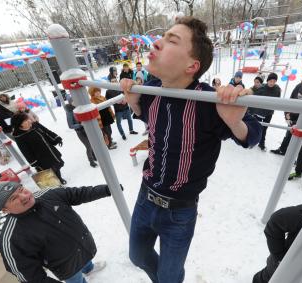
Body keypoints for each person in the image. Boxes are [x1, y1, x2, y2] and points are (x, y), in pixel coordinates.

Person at [120, 16, 262, 283]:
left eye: (171, 40)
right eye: (162, 37)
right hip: (145, 196)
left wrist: (234, 121)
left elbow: (252, 136)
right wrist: (133, 102)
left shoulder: (209, 101)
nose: (158, 43)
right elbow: (147, 118)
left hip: (179, 211)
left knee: (171, 276)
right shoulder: (148, 90)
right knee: (137, 257)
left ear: (191, 66)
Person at [0, 181, 112, 283]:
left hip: (82, 245)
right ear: (5, 210)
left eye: (21, 190)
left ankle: (89, 269)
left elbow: (77, 194)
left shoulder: (49, 195)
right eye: (13, 198)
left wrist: (108, 189)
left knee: (85, 261)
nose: (24, 196)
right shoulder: (11, 238)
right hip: (67, 267)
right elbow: (30, 276)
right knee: (76, 280)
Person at [11, 113, 67, 184]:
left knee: (57, 166)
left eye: (28, 119)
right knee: (49, 170)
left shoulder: (35, 125)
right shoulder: (19, 136)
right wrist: (34, 162)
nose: (29, 121)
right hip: (40, 157)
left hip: (50, 150)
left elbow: (46, 131)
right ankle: (55, 183)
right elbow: (25, 151)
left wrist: (56, 138)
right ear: (19, 124)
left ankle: (59, 178)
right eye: (25, 121)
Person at [248, 73, 281, 151]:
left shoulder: (277, 89)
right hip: (258, 112)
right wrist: (251, 110)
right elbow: (253, 96)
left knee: (264, 128)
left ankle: (261, 143)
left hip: (268, 113)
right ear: (268, 80)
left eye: (274, 81)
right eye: (270, 81)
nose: (272, 83)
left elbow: (278, 100)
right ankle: (252, 141)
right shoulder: (261, 87)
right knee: (256, 127)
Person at [65, 102, 98, 167]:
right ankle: (91, 161)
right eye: (73, 101)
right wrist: (80, 125)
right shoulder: (70, 112)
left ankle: (94, 156)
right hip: (80, 131)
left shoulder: (80, 107)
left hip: (87, 129)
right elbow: (70, 125)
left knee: (92, 143)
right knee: (88, 146)